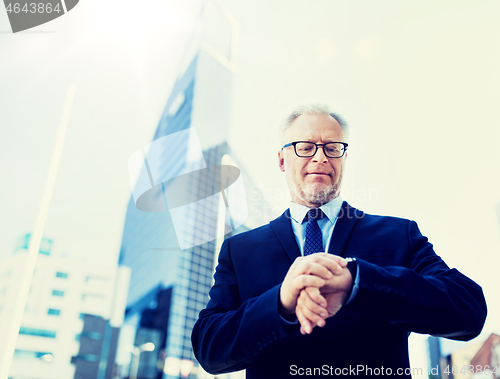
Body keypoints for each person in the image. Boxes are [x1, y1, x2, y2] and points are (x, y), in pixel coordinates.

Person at [191, 104, 487, 378]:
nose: (320, 157)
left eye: (332, 148)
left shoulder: (400, 234)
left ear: (344, 158)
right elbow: (209, 347)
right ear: (282, 160)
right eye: (305, 147)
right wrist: (279, 304)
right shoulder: (239, 250)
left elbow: (468, 310)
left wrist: (358, 282)